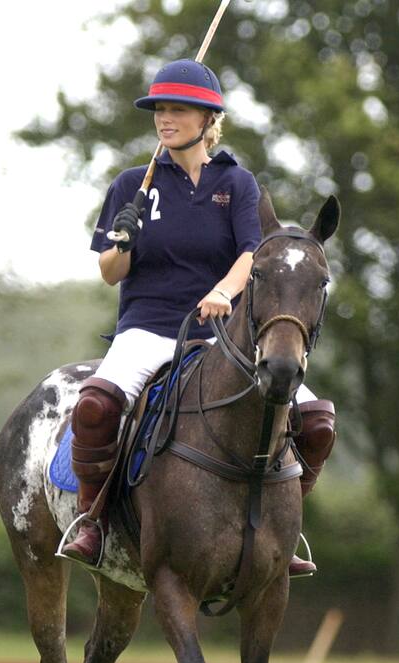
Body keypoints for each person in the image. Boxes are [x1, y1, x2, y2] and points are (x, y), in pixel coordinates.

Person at [61, 58, 335, 575]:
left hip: (220, 336)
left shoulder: (236, 181)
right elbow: (109, 273)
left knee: (317, 421)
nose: (165, 119)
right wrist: (125, 237)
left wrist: (224, 293)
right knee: (95, 406)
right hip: (146, 327)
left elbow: (253, 255)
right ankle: (91, 519)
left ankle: (285, 525)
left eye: (178, 110)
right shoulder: (132, 185)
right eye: (159, 110)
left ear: (208, 120)